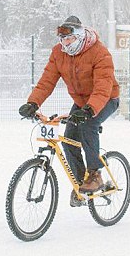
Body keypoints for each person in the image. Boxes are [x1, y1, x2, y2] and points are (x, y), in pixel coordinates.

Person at [18, 16, 120, 207]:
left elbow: (103, 86)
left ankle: (95, 174)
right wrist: (33, 103)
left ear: (80, 36)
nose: (65, 43)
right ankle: (83, 183)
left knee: (89, 125)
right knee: (69, 141)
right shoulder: (58, 53)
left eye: (69, 39)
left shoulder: (99, 53)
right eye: (62, 39)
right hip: (82, 102)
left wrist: (90, 109)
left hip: (106, 99)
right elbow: (47, 81)